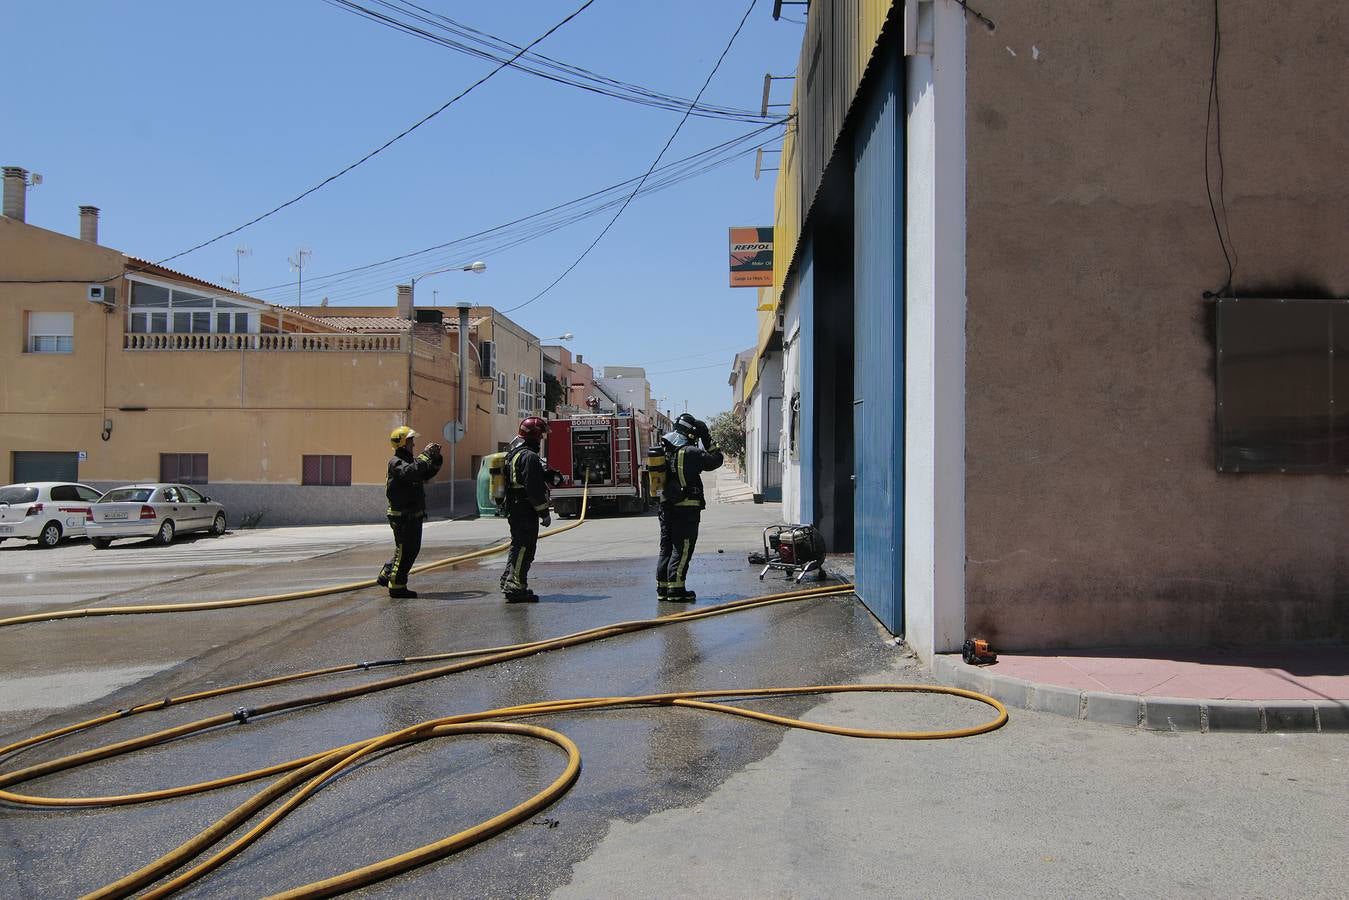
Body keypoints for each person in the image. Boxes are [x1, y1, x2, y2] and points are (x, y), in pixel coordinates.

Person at [657, 413, 723, 602]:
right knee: (683, 547)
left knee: (666, 548)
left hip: (666, 507)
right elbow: (716, 460)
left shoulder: (666, 449)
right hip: (686, 509)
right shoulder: (690, 452)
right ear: (692, 432)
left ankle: (663, 588)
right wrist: (706, 436)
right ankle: (676, 590)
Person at [378, 425, 442, 599]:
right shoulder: (396, 462)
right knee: (405, 550)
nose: (413, 445)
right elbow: (409, 473)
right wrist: (425, 455)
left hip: (413, 514)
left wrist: (435, 459)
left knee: (409, 550)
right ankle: (397, 586)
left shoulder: (411, 461)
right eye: (410, 441)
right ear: (402, 443)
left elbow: (425, 474)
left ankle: (387, 574)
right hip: (402, 516)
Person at [500, 416, 553, 603]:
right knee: (525, 548)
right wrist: (544, 513)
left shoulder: (514, 454)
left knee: (518, 546)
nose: (541, 440)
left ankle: (510, 581)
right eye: (541, 436)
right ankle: (515, 587)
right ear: (535, 436)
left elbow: (520, 478)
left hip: (515, 508)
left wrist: (546, 474)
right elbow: (533, 488)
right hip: (524, 510)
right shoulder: (529, 457)